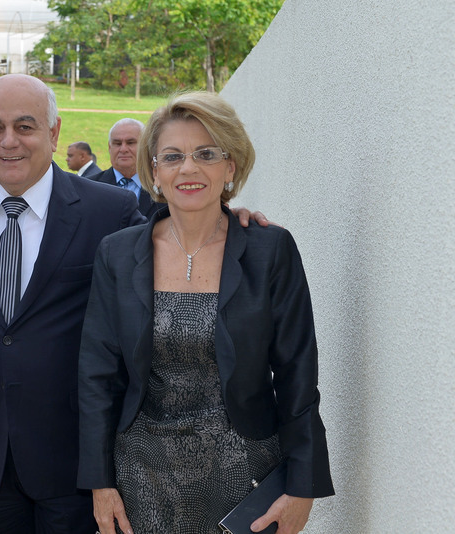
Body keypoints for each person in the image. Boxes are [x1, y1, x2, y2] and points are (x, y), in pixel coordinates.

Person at [77, 91, 334, 534]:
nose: (188, 168)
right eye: (172, 156)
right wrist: (100, 482)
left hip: (243, 477)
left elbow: (298, 375)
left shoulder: (269, 251)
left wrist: (302, 486)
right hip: (140, 479)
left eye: (206, 154)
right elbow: (97, 377)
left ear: (230, 167)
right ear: (155, 171)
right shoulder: (116, 254)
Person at [0, 74, 146, 533]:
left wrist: (230, 224)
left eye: (24, 127)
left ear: (54, 132)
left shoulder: (110, 212)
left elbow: (171, 263)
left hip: (75, 464)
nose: (8, 141)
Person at [89, 118, 165, 219]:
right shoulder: (90, 187)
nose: (123, 149)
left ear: (145, 146)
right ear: (109, 147)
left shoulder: (164, 186)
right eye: (117, 143)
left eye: (130, 142)